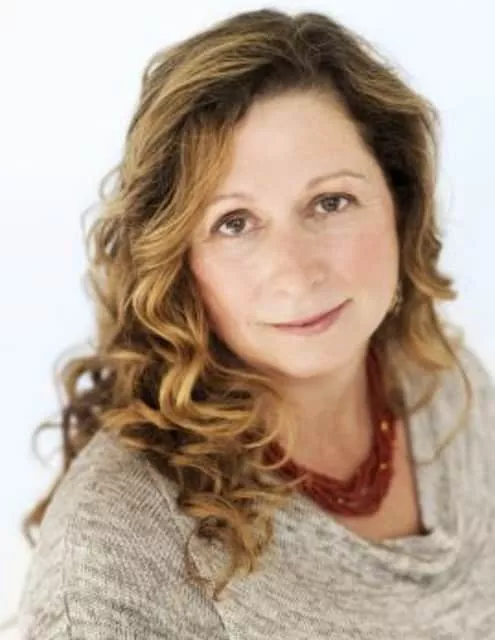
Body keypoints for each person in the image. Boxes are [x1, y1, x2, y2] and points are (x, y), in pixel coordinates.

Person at [16, 8, 495, 639]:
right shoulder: (113, 553)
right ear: (177, 262)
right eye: (234, 223)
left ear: (400, 205)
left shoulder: (447, 381)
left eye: (330, 202)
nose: (295, 273)